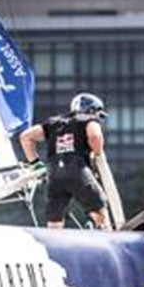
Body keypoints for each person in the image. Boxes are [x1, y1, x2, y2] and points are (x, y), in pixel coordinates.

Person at [20, 92, 112, 230]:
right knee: (100, 210)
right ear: (92, 110)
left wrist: (35, 163)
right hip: (78, 170)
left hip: (54, 174)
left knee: (55, 221)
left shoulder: (54, 123)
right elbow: (95, 136)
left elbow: (26, 137)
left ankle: (54, 248)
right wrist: (96, 154)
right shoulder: (89, 119)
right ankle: (106, 237)